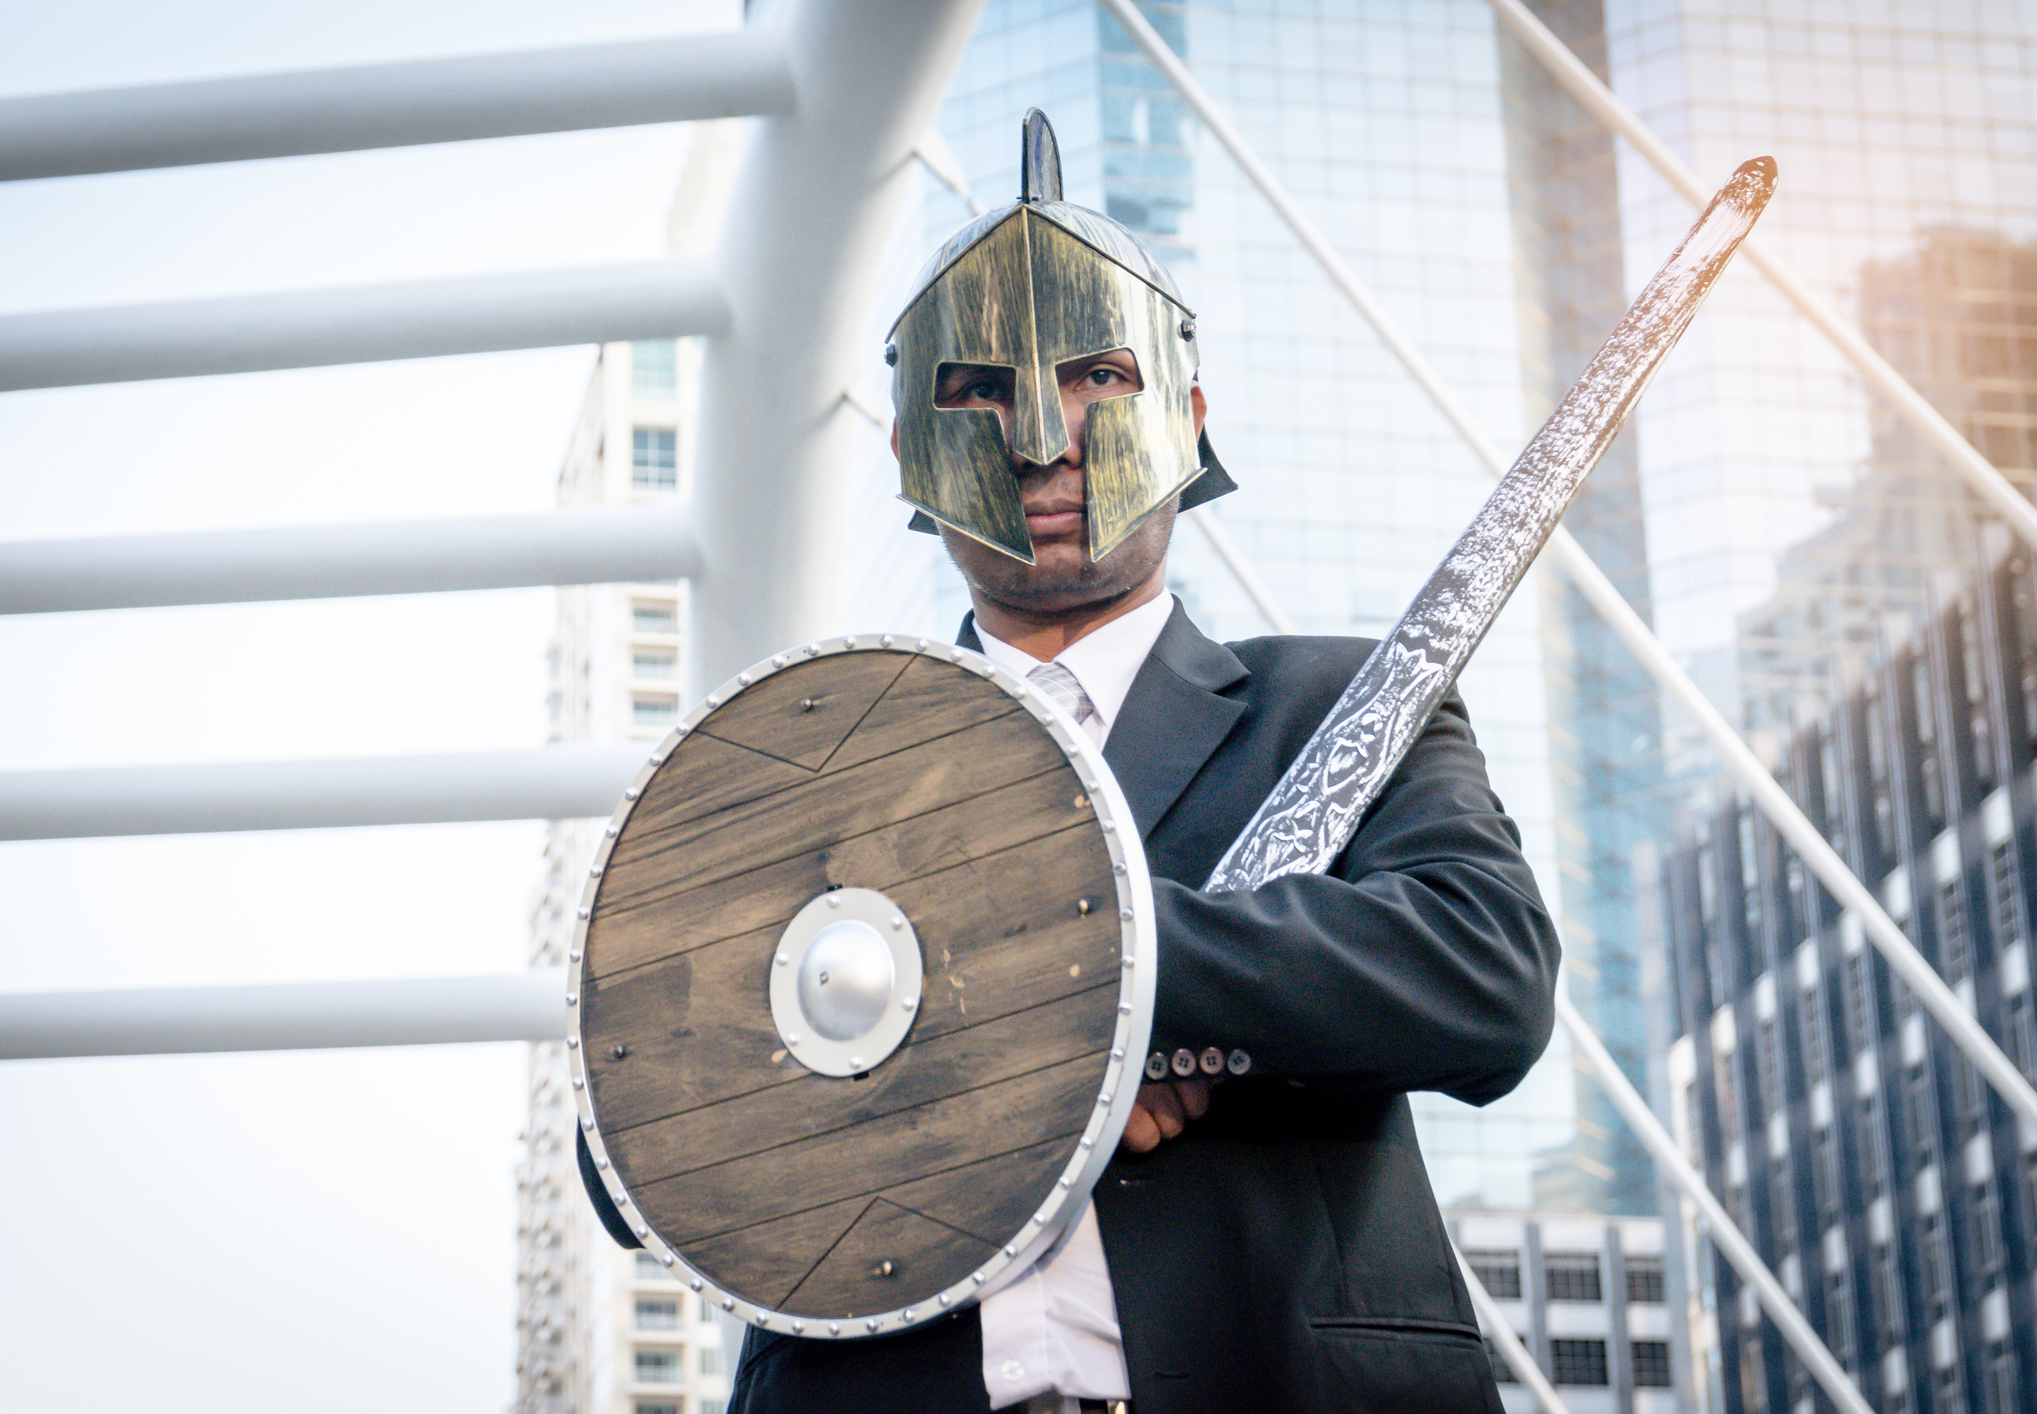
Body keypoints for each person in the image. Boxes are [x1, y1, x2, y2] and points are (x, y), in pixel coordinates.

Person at [585, 111, 1559, 1413]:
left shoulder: (1340, 707)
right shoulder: (797, 780)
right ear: (901, 450)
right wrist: (1030, 1035)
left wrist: (1093, 969)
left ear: (1188, 407)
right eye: (975, 390)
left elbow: (1483, 976)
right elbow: (634, 1143)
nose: (1042, 436)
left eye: (1100, 373)